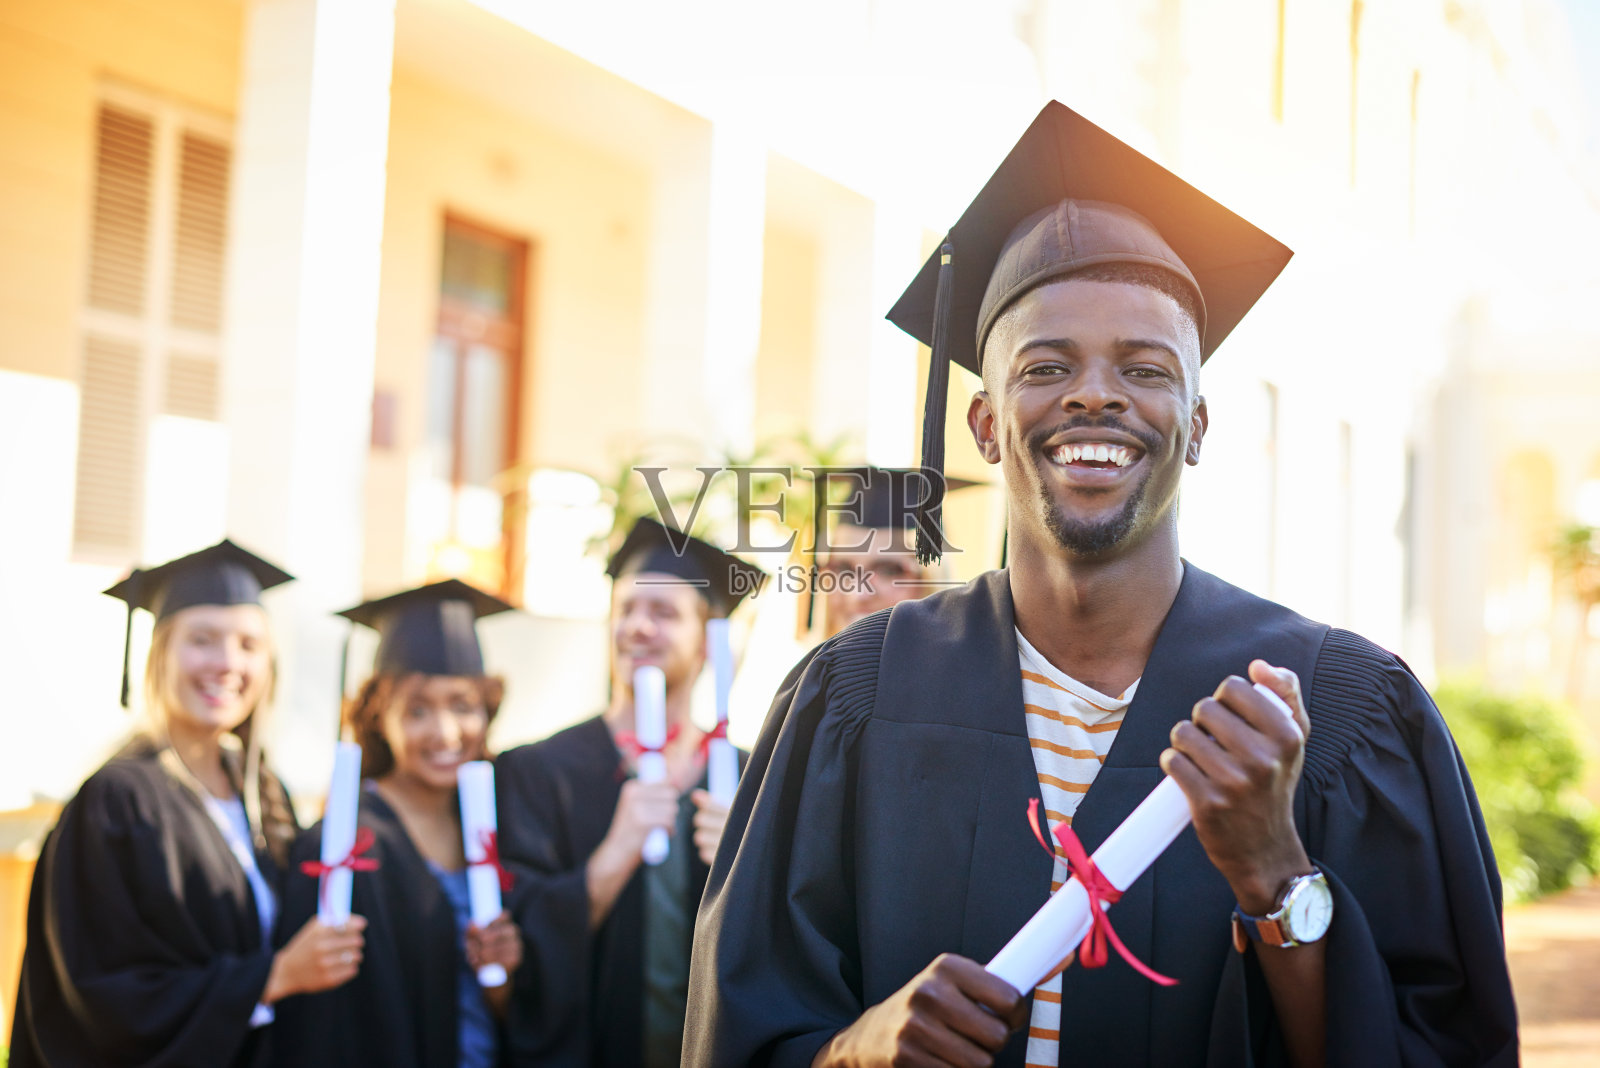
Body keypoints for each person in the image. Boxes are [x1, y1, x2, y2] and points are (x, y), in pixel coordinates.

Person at [685, 101, 1517, 1068]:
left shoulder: (1337, 711)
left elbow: (1438, 1047)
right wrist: (853, 1053)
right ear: (987, 424)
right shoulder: (856, 697)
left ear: (1197, 425)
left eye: (1144, 367)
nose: (1094, 393)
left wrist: (1275, 872)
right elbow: (738, 1033)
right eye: (1047, 366)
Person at [10, 539, 365, 1068]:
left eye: (249, 644)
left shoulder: (264, 793)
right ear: (161, 655)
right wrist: (274, 977)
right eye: (202, 640)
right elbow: (102, 994)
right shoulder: (117, 800)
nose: (227, 662)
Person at [495, 517, 763, 1066]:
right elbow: (509, 949)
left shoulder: (749, 777)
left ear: (708, 637)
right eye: (625, 610)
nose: (636, 627)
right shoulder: (538, 770)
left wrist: (747, 863)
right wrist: (615, 853)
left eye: (663, 613)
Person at [272, 579, 526, 1068]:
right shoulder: (345, 847)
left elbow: (513, 1008)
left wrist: (505, 973)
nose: (444, 732)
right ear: (378, 716)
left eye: (462, 705)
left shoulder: (501, 825)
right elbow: (323, 1029)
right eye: (416, 711)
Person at [809, 467, 977, 640]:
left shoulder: (967, 667)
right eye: (843, 569)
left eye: (888, 571)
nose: (857, 593)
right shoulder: (814, 666)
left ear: (932, 578)